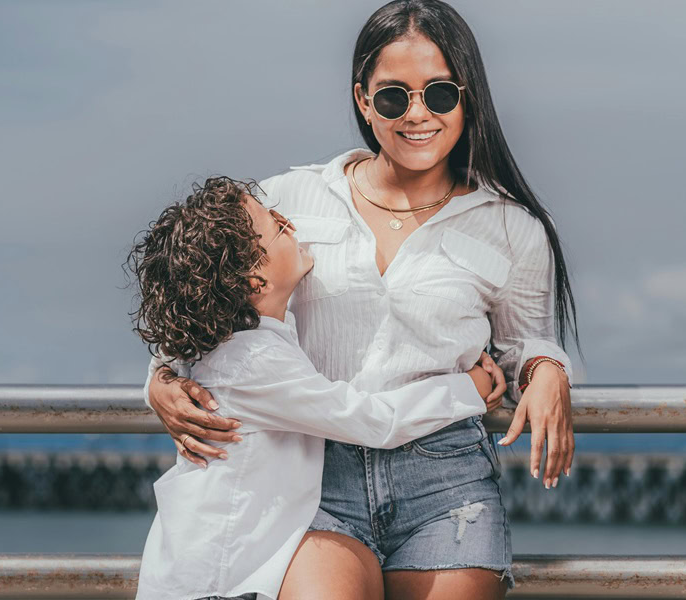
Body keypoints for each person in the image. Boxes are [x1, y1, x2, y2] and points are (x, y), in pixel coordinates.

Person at [144, 1, 582, 598]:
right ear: (363, 100)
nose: (418, 114)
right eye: (394, 97)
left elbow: (522, 344)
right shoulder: (287, 199)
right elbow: (203, 301)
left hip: (445, 479)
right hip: (310, 476)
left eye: (441, 94)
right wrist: (161, 379)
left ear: (468, 96)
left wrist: (549, 368)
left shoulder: (512, 227)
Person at [127, 176, 506, 600]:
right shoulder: (255, 362)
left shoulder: (241, 344)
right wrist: (469, 386)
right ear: (256, 282)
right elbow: (374, 420)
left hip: (213, 564)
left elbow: (176, 346)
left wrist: (159, 378)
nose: (288, 222)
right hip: (221, 577)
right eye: (274, 224)